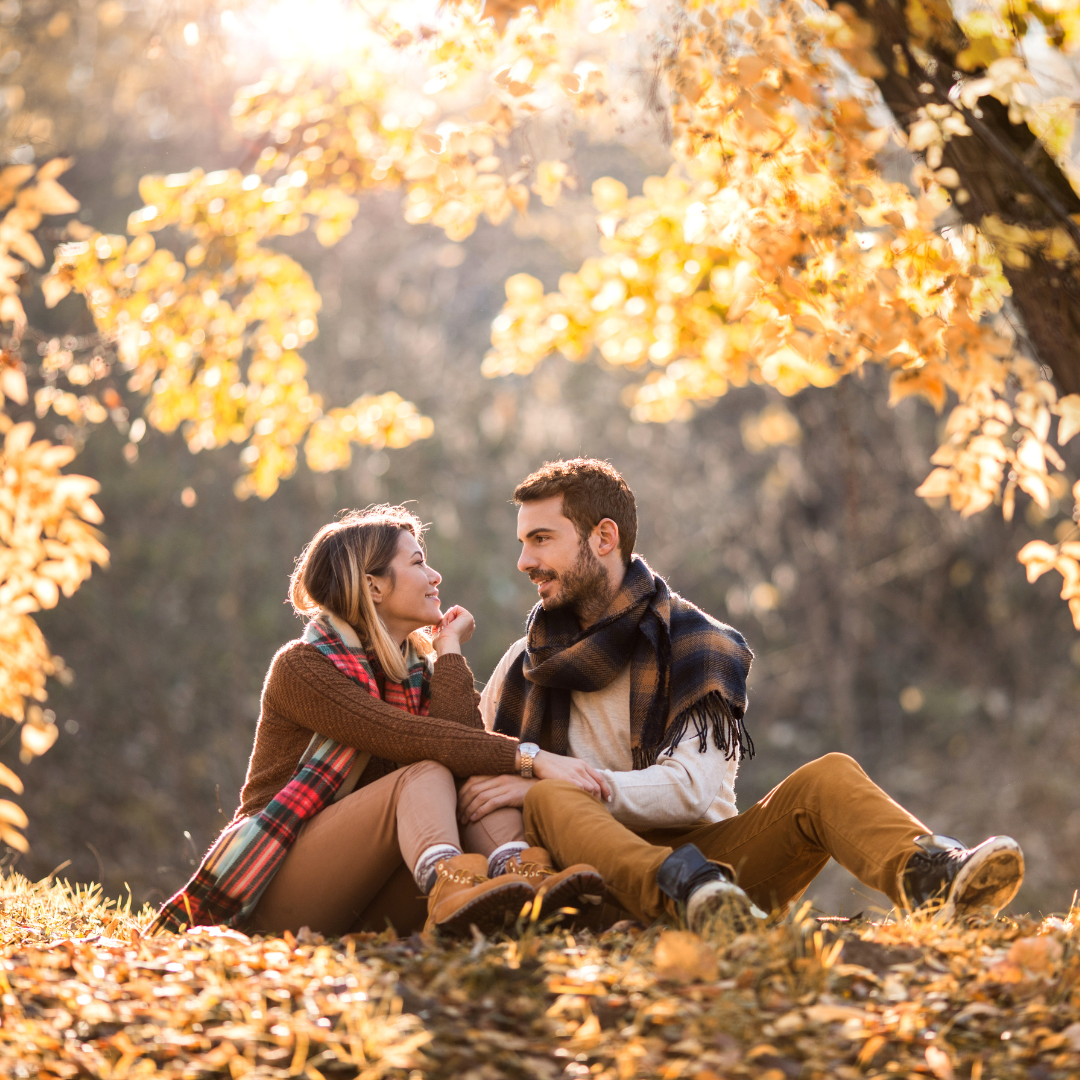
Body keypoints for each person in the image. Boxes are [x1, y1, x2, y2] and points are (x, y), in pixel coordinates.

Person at [463, 459, 1025, 932]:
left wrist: (551, 772)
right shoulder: (521, 665)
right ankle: (672, 893)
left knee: (827, 776)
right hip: (585, 881)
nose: (524, 562)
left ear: (603, 538)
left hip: (719, 877)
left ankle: (937, 881)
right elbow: (474, 769)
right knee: (546, 800)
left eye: (541, 539)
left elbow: (689, 791)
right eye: (522, 542)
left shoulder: (696, 645)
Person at [150, 505, 604, 939]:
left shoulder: (417, 671)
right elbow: (404, 737)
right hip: (276, 888)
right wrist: (532, 758)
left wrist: (447, 649)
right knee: (425, 771)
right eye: (418, 562)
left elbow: (467, 748)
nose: (435, 576)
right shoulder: (304, 668)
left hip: (363, 895)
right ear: (373, 587)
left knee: (476, 782)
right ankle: (451, 879)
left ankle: (526, 877)